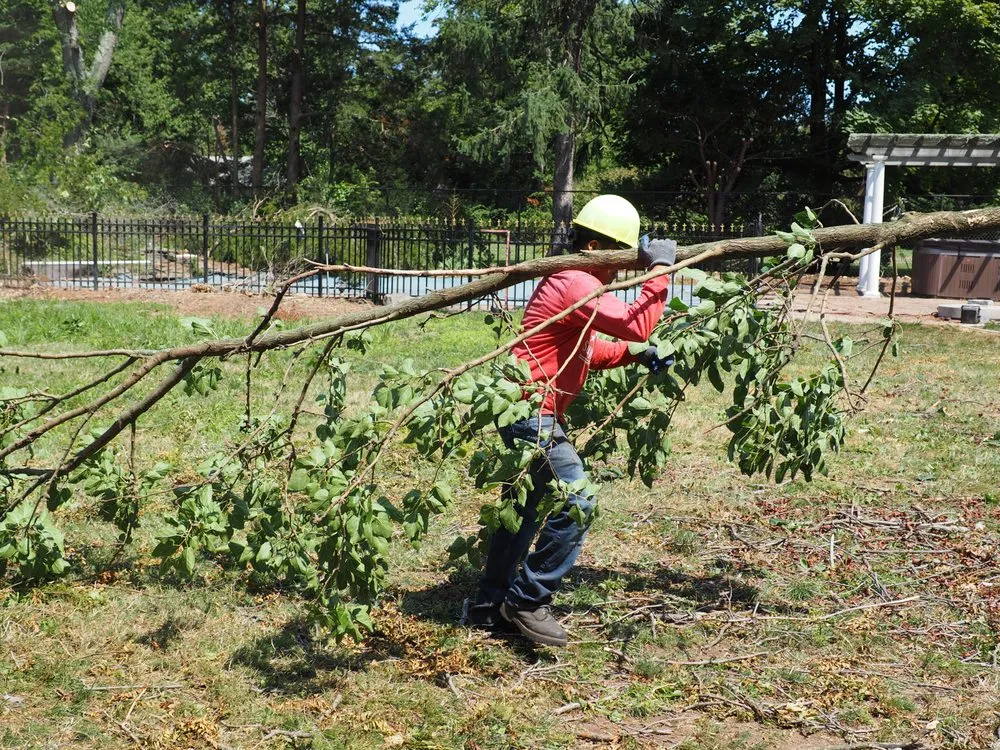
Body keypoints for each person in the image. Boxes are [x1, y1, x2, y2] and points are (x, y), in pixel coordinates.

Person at [463, 194, 676, 647]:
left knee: (518, 513)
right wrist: (660, 273)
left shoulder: (572, 284)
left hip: (523, 408)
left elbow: (589, 351)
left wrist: (637, 354)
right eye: (618, 260)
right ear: (597, 247)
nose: (618, 274)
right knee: (577, 499)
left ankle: (488, 607)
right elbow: (636, 323)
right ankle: (527, 601)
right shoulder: (576, 281)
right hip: (531, 414)